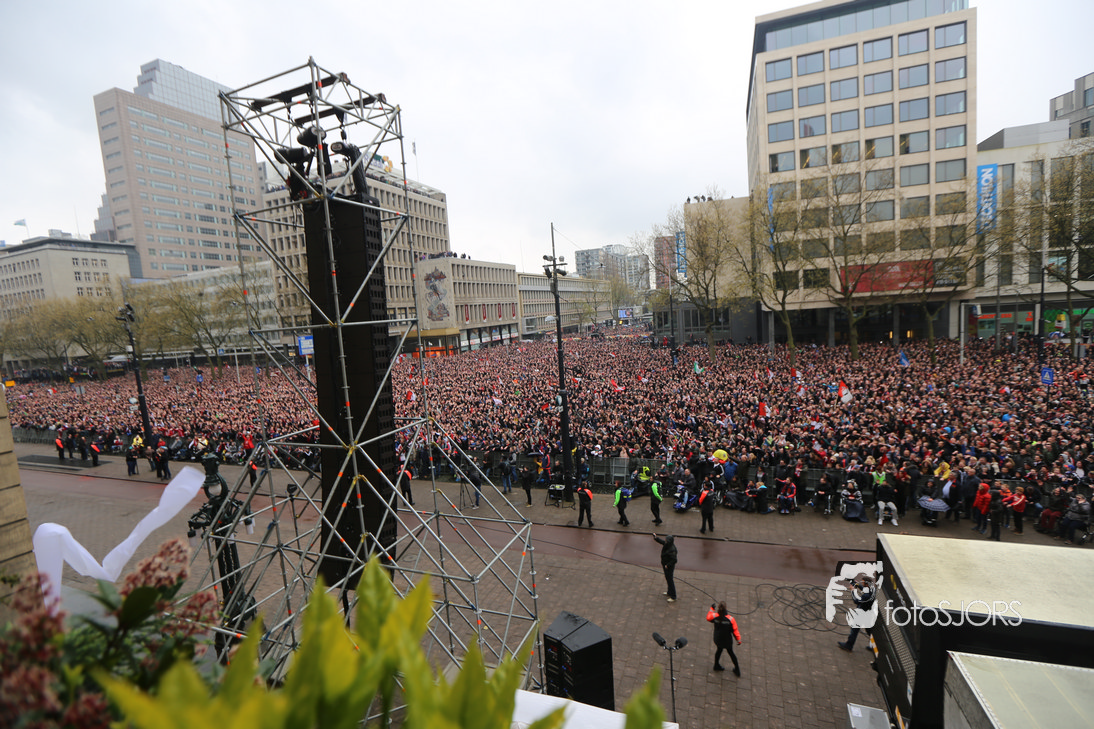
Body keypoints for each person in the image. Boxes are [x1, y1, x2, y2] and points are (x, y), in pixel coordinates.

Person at [837, 575, 876, 653]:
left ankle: (848, 646)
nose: (862, 583)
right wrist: (857, 585)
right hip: (869, 614)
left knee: (854, 630)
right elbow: (864, 589)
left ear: (866, 584)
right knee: (869, 631)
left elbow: (856, 601)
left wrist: (852, 590)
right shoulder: (872, 589)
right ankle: (875, 645)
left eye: (863, 582)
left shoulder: (866, 596)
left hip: (862, 614)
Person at [706, 602, 742, 675]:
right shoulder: (731, 619)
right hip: (727, 641)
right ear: (726, 608)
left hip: (718, 639)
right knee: (731, 653)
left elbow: (708, 617)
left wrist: (711, 609)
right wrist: (738, 640)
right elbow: (735, 631)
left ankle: (716, 665)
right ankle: (737, 669)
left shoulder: (715, 616)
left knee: (719, 650)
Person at [653, 534, 677, 602]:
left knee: (670, 580)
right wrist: (656, 537)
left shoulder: (672, 550)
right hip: (665, 565)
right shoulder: (667, 544)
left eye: (666, 540)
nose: (665, 541)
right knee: (668, 579)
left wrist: (667, 565)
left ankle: (673, 596)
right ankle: (669, 592)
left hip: (668, 567)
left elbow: (674, 560)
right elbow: (662, 542)